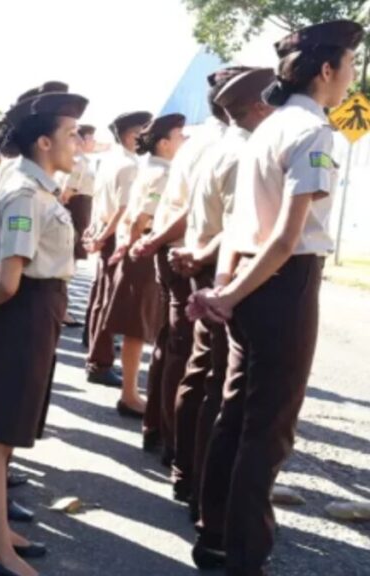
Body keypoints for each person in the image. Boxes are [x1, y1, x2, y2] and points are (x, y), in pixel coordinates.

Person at [189, 20, 363, 574]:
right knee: (268, 426)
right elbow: (287, 237)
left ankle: (214, 532)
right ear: (328, 70)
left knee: (238, 412)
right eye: (351, 66)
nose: (354, 77)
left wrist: (228, 290)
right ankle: (245, 553)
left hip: (250, 278)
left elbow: (249, 226)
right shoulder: (314, 132)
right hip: (281, 284)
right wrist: (231, 293)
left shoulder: (268, 127)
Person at [0, 90, 89, 576]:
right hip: (23, 313)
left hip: (38, 310)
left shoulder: (40, 188)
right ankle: (0, 551)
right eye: (71, 134)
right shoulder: (23, 193)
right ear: (43, 142)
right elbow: (8, 279)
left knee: (7, 431)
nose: (78, 142)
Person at [169, 67, 276, 519]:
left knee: (199, 374)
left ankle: (186, 472)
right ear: (257, 104)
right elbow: (237, 226)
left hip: (203, 260)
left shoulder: (213, 146)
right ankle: (203, 490)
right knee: (220, 386)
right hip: (222, 269)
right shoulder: (243, 152)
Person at [129, 67, 252, 459]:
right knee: (193, 360)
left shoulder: (199, 141)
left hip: (179, 250)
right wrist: (157, 243)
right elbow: (193, 213)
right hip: (193, 254)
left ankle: (160, 431)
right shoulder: (226, 145)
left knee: (173, 347)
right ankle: (178, 446)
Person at [103, 113, 186, 420]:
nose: (184, 140)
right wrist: (136, 247)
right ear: (164, 143)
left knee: (139, 328)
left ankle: (132, 392)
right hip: (146, 254)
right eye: (179, 135)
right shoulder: (162, 173)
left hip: (138, 252)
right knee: (139, 328)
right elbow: (142, 218)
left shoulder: (151, 167)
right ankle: (129, 394)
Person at [82, 111, 151, 393]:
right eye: (142, 132)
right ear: (130, 136)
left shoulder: (113, 162)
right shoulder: (130, 166)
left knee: (101, 296)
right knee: (110, 300)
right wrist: (105, 236)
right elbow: (124, 209)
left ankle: (96, 356)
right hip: (116, 235)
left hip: (105, 232)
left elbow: (100, 203)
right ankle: (100, 362)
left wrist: (96, 232)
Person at [57, 124, 96, 327]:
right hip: (76, 209)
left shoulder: (81, 161)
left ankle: (62, 306)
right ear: (81, 140)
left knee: (70, 261)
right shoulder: (79, 162)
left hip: (80, 209)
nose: (94, 142)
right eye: (90, 138)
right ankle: (61, 309)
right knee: (69, 261)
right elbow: (66, 193)